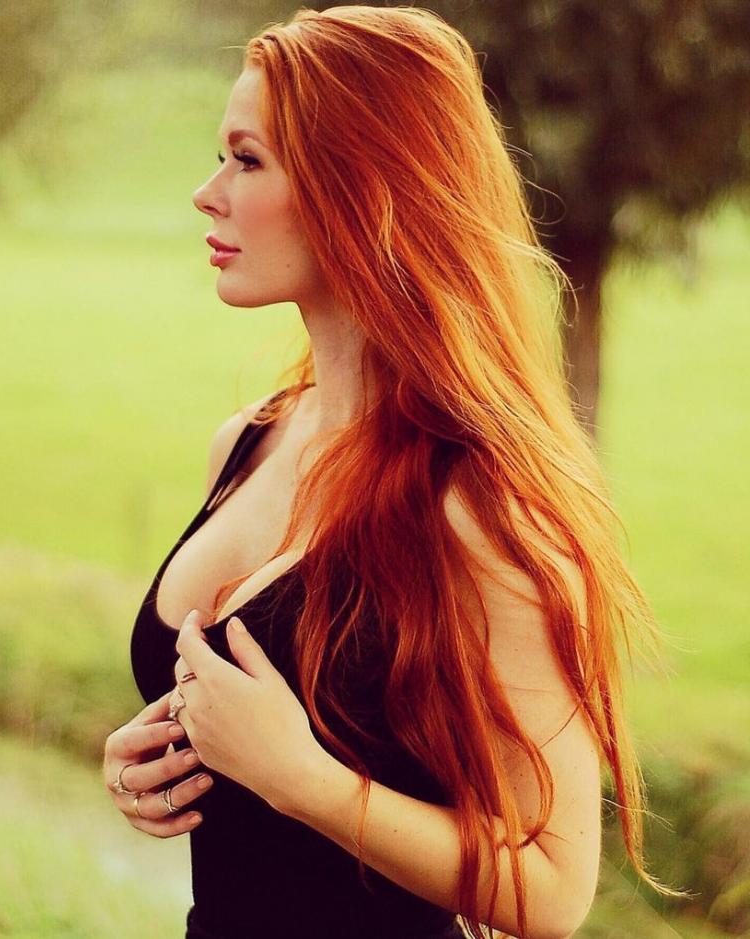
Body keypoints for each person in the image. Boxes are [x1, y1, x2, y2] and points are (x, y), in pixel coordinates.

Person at [102, 7, 674, 939]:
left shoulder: (479, 503)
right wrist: (155, 758)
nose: (208, 194)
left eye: (247, 161)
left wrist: (303, 780)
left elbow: (552, 889)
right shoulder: (248, 441)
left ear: (361, 188)